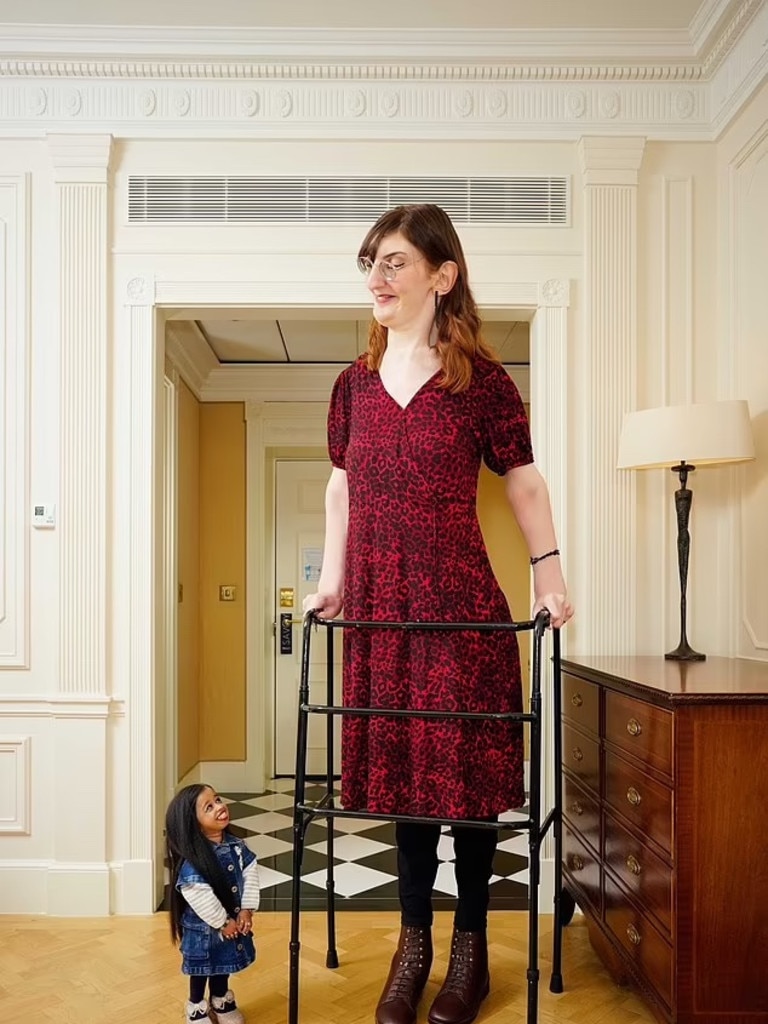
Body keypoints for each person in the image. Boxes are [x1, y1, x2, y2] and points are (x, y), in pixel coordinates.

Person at [303, 203, 573, 1024]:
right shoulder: (352, 385)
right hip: (383, 611)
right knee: (407, 786)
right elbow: (342, 486)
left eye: (393, 262)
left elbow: (524, 482)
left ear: (441, 275)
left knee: (465, 790)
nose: (376, 279)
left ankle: (469, 950)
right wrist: (335, 582)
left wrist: (550, 577)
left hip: (460, 605)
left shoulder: (481, 383)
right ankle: (411, 943)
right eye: (371, 265)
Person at [165, 784, 260, 1024]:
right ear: (194, 824)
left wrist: (247, 910)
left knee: (223, 964)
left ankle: (220, 1000)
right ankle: (196, 1006)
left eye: (217, 799)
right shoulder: (192, 862)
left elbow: (250, 873)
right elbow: (200, 896)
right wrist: (223, 922)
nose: (219, 807)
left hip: (230, 927)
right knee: (202, 970)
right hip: (204, 932)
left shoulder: (237, 847)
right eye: (209, 807)